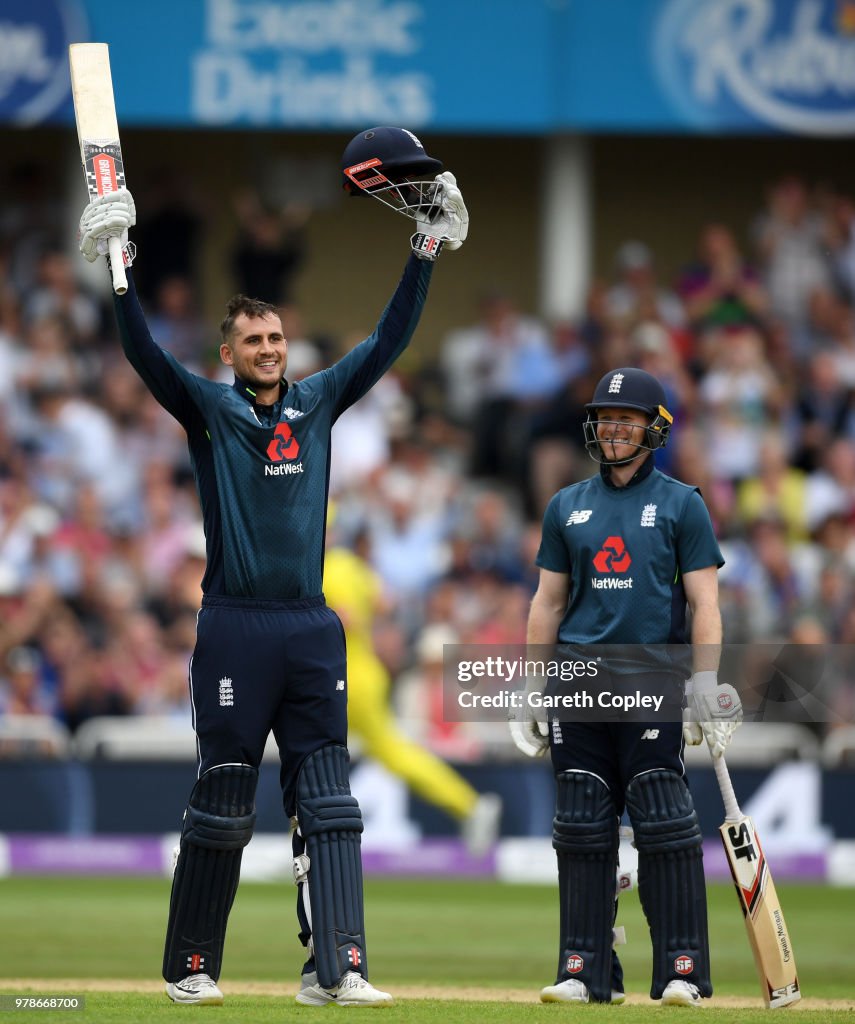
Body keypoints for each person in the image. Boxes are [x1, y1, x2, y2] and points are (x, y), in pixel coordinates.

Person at [76, 126, 468, 1008]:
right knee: (222, 801)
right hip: (234, 627)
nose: (268, 348)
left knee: (328, 803)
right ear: (228, 353)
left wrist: (425, 248)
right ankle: (191, 969)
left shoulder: (319, 402)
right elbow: (142, 356)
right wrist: (119, 269)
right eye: (252, 339)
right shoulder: (208, 409)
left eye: (275, 337)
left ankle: (338, 968)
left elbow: (388, 341)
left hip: (309, 625)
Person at [509, 367, 742, 1007]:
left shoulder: (682, 503)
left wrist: (704, 682)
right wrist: (533, 685)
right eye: (605, 418)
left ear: (654, 428)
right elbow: (548, 603)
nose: (612, 429)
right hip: (578, 683)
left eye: (626, 419)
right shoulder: (566, 504)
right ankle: (584, 970)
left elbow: (705, 605)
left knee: (663, 821)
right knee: (582, 824)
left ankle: (681, 971)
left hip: (651, 682)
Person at [322, 515, 501, 855]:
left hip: (344, 678)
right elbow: (383, 603)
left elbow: (345, 620)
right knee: (387, 753)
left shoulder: (329, 569)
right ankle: (468, 804)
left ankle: (470, 805)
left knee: (325, 754)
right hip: (360, 672)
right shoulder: (350, 565)